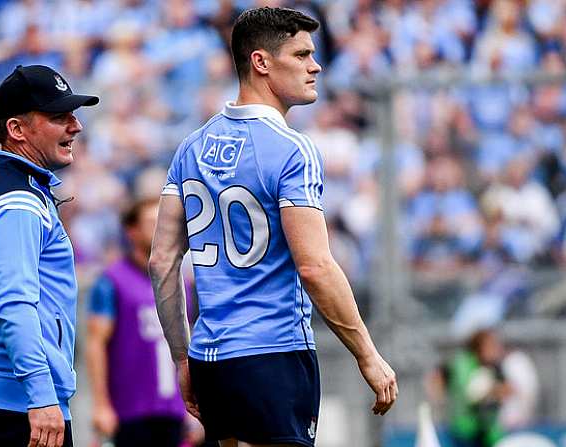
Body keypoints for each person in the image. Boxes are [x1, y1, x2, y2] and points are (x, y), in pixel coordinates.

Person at [148, 7, 397, 447]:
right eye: (301, 54)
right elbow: (316, 267)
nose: (315, 65)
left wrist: (182, 358)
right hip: (273, 352)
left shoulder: (191, 147)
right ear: (261, 62)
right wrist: (368, 355)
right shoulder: (292, 150)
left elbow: (163, 259)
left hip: (211, 358)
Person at [0, 64, 98, 447]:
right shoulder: (18, 201)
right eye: (59, 116)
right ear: (16, 129)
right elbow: (14, 302)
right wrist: (42, 395)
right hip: (15, 397)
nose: (75, 126)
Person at [85, 198, 203, 447]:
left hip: (175, 410)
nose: (161, 229)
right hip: (130, 411)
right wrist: (101, 404)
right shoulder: (112, 281)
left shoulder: (184, 284)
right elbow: (95, 343)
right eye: (152, 222)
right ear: (132, 230)